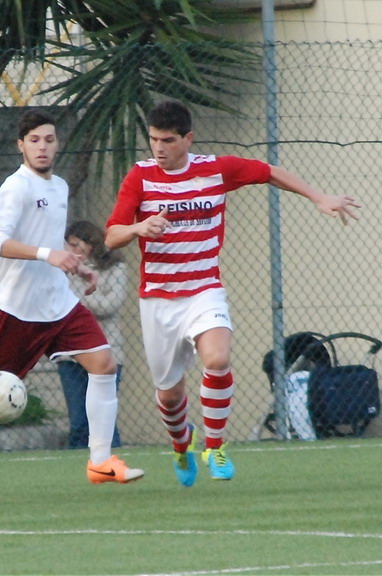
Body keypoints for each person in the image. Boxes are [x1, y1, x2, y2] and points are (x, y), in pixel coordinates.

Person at [105, 100, 360, 487]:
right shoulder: (140, 178)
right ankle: (182, 443)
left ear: (188, 139)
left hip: (204, 289)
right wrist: (138, 228)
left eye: (168, 140)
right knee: (170, 397)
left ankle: (215, 446)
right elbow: (111, 236)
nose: (159, 148)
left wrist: (317, 196)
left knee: (218, 358)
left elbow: (269, 172)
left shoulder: (215, 169)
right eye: (154, 139)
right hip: (158, 299)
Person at [0, 109, 144, 499]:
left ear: (57, 144)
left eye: (48, 139)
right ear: (21, 146)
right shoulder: (16, 188)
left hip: (59, 304)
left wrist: (79, 267)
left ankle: (100, 461)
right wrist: (49, 255)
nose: (42, 147)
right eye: (34, 140)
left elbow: (48, 240)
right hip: (18, 310)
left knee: (104, 364)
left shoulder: (59, 187)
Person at [56, 220, 129, 449]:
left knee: (103, 418)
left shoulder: (115, 268)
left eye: (76, 245)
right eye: (68, 245)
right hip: (70, 353)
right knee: (79, 420)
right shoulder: (62, 268)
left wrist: (76, 291)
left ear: (91, 244)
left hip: (106, 350)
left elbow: (109, 305)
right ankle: (79, 461)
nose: (71, 250)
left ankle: (110, 458)